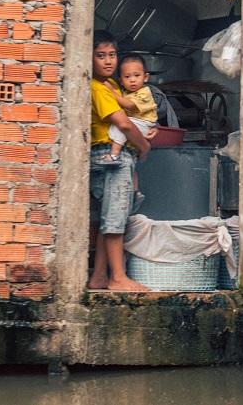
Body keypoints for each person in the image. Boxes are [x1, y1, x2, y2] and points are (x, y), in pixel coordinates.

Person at [88, 31, 154, 291]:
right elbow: (124, 124)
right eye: (100, 56)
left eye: (112, 55)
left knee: (111, 216)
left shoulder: (114, 86)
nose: (108, 62)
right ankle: (118, 277)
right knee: (115, 218)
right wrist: (144, 145)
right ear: (90, 58)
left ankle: (100, 276)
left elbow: (135, 115)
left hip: (114, 154)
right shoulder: (98, 87)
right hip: (109, 155)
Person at [96, 54, 158, 165]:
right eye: (127, 77)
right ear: (121, 80)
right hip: (139, 124)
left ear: (145, 77)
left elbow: (129, 105)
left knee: (120, 126)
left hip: (144, 124)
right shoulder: (125, 92)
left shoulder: (145, 92)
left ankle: (114, 155)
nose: (132, 80)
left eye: (137, 75)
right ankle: (138, 154)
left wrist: (112, 92)